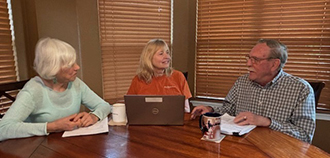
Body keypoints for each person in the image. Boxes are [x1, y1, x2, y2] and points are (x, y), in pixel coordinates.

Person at [191, 39, 316, 143]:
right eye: (249, 58)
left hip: (276, 150)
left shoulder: (301, 89)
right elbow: (228, 110)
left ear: (274, 64)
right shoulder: (242, 82)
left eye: (255, 60)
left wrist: (267, 122)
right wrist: (210, 110)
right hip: (240, 146)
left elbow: (304, 136)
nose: (248, 63)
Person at [0, 38, 111, 141]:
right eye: (70, 64)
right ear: (52, 67)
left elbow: (104, 106)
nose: (77, 67)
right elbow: (3, 129)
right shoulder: (33, 90)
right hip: (38, 150)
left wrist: (94, 116)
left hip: (70, 146)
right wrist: (52, 126)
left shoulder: (75, 83)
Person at [127, 39, 192, 112]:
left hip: (173, 122)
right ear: (149, 57)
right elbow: (131, 108)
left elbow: (186, 110)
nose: (167, 57)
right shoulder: (138, 79)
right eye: (161, 54)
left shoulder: (178, 76)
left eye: (167, 52)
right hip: (147, 122)